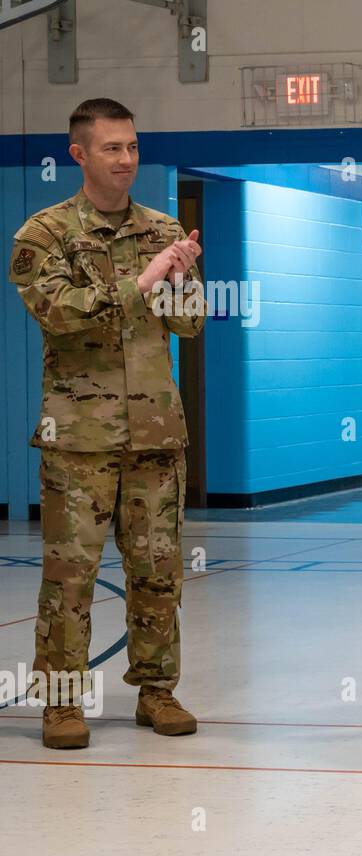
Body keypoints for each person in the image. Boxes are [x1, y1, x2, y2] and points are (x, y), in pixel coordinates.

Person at [8, 98, 206, 749]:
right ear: (80, 154)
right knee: (71, 577)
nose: (126, 160)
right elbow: (62, 314)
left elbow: (188, 322)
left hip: (156, 433)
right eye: (112, 148)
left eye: (132, 147)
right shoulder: (45, 234)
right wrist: (143, 278)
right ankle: (62, 703)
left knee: (158, 570)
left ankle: (157, 690)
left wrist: (176, 278)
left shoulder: (161, 228)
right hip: (79, 442)